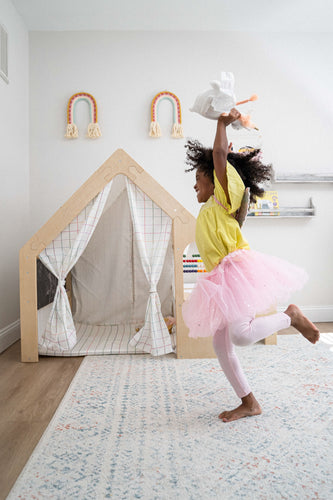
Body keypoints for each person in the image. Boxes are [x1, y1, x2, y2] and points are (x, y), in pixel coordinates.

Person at [182, 108, 320, 423]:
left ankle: (290, 316)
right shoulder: (212, 209)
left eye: (197, 180)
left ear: (216, 179)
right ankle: (250, 403)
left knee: (241, 335)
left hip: (235, 273)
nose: (194, 187)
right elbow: (220, 158)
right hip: (218, 279)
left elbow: (218, 153)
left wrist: (221, 123)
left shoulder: (222, 197)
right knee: (221, 345)